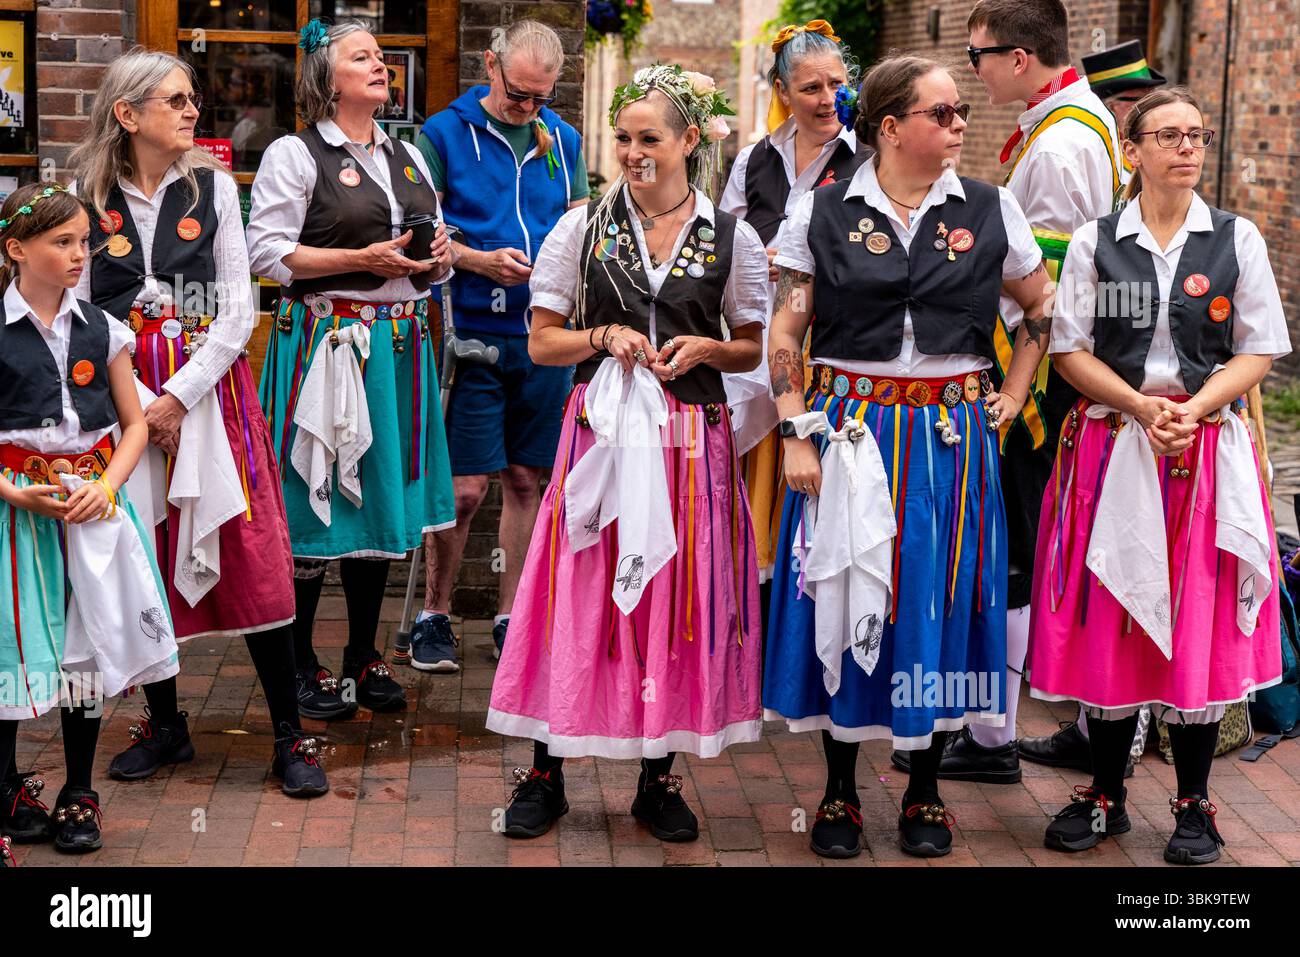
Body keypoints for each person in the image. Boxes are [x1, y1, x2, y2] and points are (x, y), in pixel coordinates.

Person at [764, 55, 1054, 858]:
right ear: (890, 127)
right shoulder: (818, 214)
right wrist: (793, 426)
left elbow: (1039, 309)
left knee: (937, 595)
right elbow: (785, 330)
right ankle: (838, 791)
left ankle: (925, 788)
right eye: (944, 112)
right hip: (846, 431)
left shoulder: (993, 211)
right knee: (846, 588)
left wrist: (1015, 395)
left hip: (951, 440)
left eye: (961, 110)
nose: (961, 123)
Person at [487, 64, 767, 842]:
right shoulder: (581, 226)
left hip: (688, 440)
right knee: (575, 590)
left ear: (689, 142)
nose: (634, 151)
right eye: (623, 138)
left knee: (678, 594)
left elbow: (751, 348)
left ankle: (657, 776)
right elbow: (543, 342)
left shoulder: (731, 236)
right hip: (602, 437)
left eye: (650, 138)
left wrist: (710, 345)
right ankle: (547, 770)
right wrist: (602, 336)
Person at [1029, 87, 1288, 864]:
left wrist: (1196, 405)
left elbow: (1258, 345)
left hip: (1203, 448)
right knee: (1111, 619)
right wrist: (1140, 406)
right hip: (1114, 446)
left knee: (1197, 624)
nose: (1187, 147)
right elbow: (1068, 349)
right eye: (1168, 135)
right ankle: (1105, 794)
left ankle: (1192, 802)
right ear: (1132, 151)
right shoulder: (1095, 243)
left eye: (1197, 135)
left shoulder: (1235, 240)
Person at [70, 49, 327, 797]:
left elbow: (238, 309)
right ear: (129, 115)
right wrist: (138, 401)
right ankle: (166, 721)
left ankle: (289, 731)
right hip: (122, 398)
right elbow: (82, 312)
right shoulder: (86, 196)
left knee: (250, 554)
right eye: (177, 101)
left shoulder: (212, 187)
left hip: (210, 394)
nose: (192, 113)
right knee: (146, 550)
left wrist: (178, 397)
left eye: (193, 100)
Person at [892, 0, 1123, 784]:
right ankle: (1086, 724)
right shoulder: (1072, 123)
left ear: (1019, 57)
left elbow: (1045, 290)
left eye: (979, 55)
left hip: (1043, 380)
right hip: (1060, 368)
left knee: (1019, 547)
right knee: (1052, 540)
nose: (972, 70)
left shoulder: (1058, 147)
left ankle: (992, 736)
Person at [248, 19, 456, 719]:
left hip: (399, 348)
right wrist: (361, 262)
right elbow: (267, 255)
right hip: (329, 342)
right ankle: (301, 658)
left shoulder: (409, 154)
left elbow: (429, 244)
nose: (380, 65)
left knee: (378, 498)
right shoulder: (294, 154)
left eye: (380, 57)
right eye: (361, 57)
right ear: (325, 77)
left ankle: (362, 655)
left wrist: (441, 260)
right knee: (317, 495)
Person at [0, 183, 180, 857]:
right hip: (16, 514)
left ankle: (79, 791)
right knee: (11, 645)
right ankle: (9, 787)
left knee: (84, 648)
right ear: (17, 249)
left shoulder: (104, 328)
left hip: (93, 507)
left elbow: (135, 425)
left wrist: (107, 485)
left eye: (85, 241)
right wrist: (15, 493)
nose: (82, 255)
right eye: (63, 242)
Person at [414, 20, 587, 670]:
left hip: (544, 335)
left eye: (542, 97)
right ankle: (434, 612)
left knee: (526, 478)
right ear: (491, 65)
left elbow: (580, 224)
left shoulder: (561, 139)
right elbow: (419, 233)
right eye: (519, 94)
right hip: (472, 334)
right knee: (463, 488)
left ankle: (511, 615)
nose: (529, 109)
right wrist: (478, 260)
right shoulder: (444, 134)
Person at [718, 19, 870, 626]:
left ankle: (808, 609)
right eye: (811, 87)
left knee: (813, 472)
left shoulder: (866, 160)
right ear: (782, 90)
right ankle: (755, 606)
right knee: (757, 470)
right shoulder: (757, 157)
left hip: (829, 332)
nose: (828, 97)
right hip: (764, 334)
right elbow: (723, 239)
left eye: (837, 83)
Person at [1082, 38, 1167, 185]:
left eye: (1152, 98)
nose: (1150, 107)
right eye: (1139, 100)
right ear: (1111, 106)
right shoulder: (1095, 152)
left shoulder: (1161, 145)